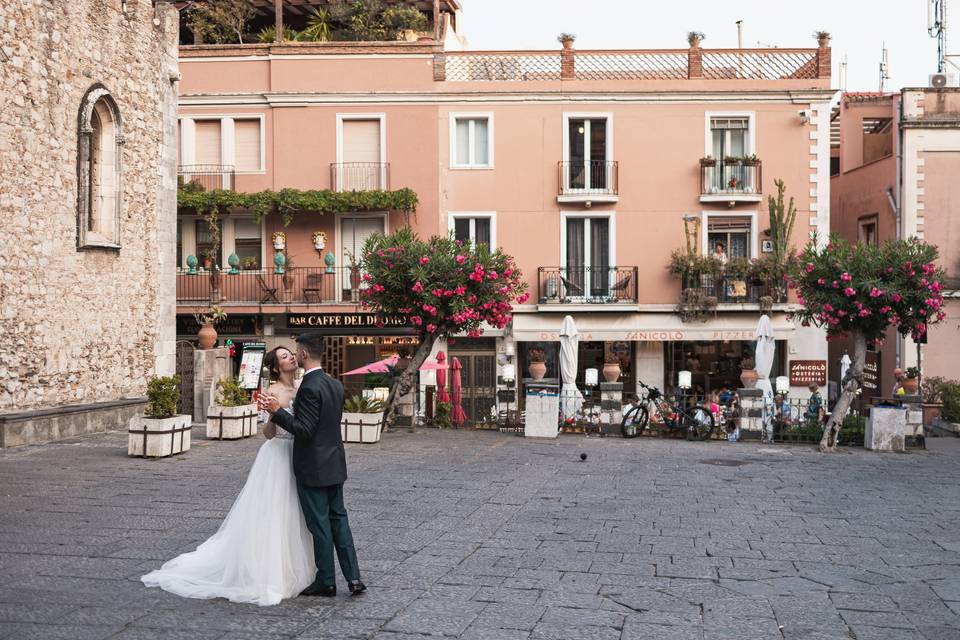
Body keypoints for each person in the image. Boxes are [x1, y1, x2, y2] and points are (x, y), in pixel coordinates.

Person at [141, 346, 316, 606]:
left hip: (299, 455)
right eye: (283, 357)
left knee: (298, 512)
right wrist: (273, 414)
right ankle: (270, 570)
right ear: (276, 367)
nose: (290, 357)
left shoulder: (304, 387)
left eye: (290, 354)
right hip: (277, 455)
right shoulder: (272, 392)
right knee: (275, 512)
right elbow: (267, 433)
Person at [260, 332, 365, 598]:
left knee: (319, 525)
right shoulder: (335, 384)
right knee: (339, 521)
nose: (294, 356)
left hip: (313, 467)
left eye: (296, 352)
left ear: (305, 354)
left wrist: (277, 411)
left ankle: (326, 581)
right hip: (334, 463)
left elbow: (304, 429)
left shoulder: (308, 387)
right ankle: (354, 579)